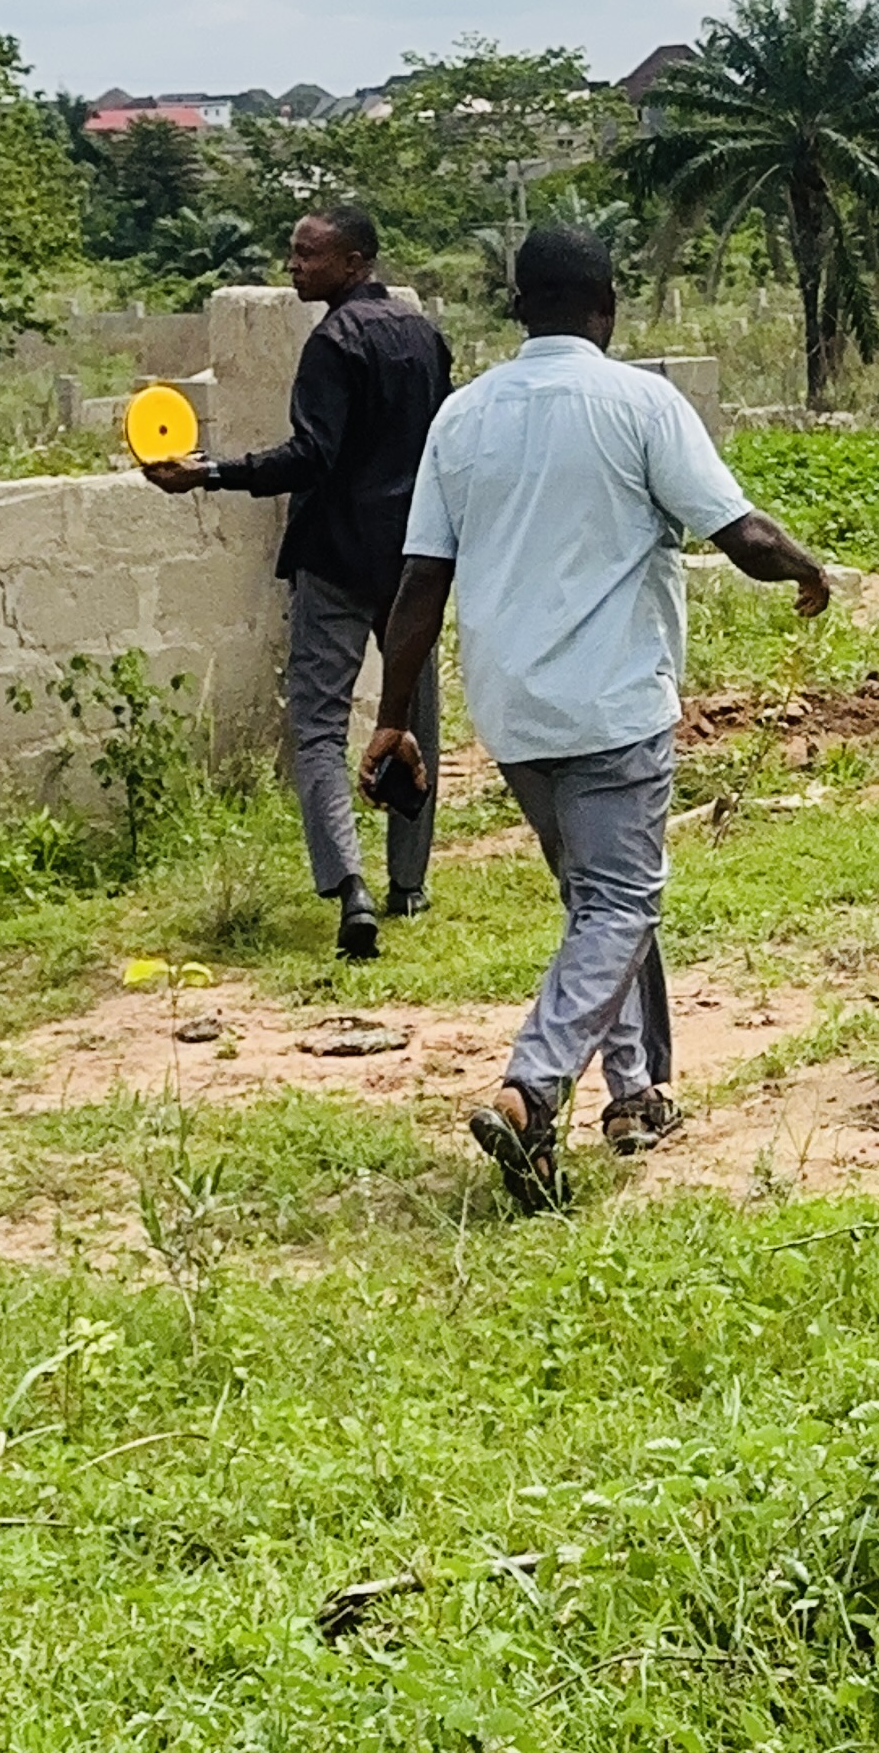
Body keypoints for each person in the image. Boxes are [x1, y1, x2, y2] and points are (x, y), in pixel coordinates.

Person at [361, 223, 833, 1211]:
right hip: (614, 703)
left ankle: (635, 1096)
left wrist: (391, 717)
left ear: (518, 306)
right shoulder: (638, 403)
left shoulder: (462, 418)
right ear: (605, 308)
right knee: (619, 904)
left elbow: (417, 586)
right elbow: (739, 533)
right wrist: (806, 569)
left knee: (602, 907)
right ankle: (532, 1090)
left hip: (514, 710)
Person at [143, 202, 451, 962]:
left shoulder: (333, 343)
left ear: (353, 263)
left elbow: (311, 456)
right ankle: (408, 885)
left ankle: (351, 889)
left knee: (316, 725)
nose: (292, 266)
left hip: (338, 557)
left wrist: (211, 471)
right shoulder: (425, 338)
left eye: (307, 255)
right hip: (414, 559)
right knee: (414, 710)